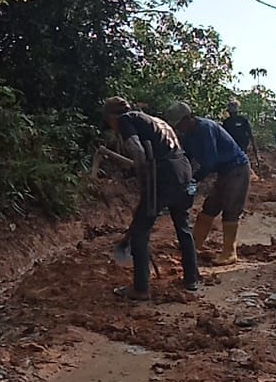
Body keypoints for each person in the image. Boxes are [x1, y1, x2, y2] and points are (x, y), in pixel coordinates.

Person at [101, 97, 200, 301]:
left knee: (140, 231)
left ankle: (141, 288)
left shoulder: (125, 120)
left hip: (164, 174)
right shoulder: (154, 120)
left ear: (111, 117)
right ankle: (192, 278)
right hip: (183, 170)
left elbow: (137, 150)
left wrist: (144, 178)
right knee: (182, 226)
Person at [165, 101, 251, 265]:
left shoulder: (205, 128)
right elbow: (187, 157)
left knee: (231, 209)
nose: (179, 129)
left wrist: (194, 180)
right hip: (224, 171)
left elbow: (210, 161)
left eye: (180, 124)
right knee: (210, 207)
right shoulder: (188, 135)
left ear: (189, 118)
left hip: (237, 168)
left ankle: (229, 252)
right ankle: (194, 244)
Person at [221, 99, 259, 168]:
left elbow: (250, 133)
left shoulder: (243, 120)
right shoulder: (226, 122)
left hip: (242, 145)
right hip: (231, 146)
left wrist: (254, 146)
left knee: (242, 161)